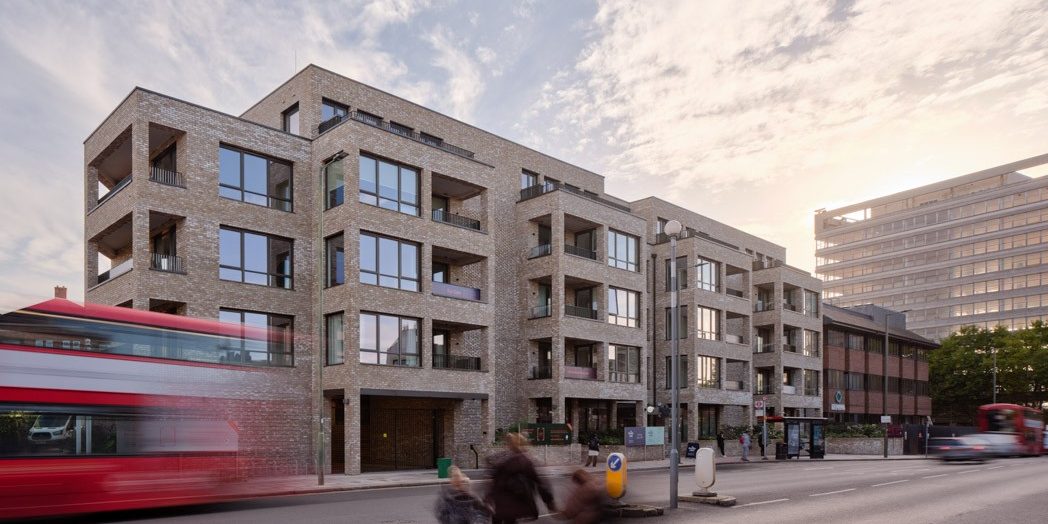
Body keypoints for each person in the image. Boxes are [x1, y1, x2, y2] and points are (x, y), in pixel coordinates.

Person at [486, 433, 557, 524]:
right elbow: (539, 482)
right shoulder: (524, 461)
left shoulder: (501, 459)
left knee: (498, 519)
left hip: (499, 503)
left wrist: (488, 497)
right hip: (513, 504)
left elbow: (494, 482)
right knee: (510, 520)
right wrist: (549, 501)